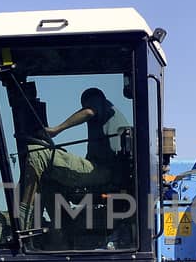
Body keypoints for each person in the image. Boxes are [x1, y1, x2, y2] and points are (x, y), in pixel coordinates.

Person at [18, 87, 131, 228]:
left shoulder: (100, 102)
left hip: (102, 172)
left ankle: (22, 222)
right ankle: (59, 233)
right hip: (104, 172)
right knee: (48, 178)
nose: (86, 106)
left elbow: (89, 111)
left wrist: (56, 130)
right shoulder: (108, 123)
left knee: (38, 153)